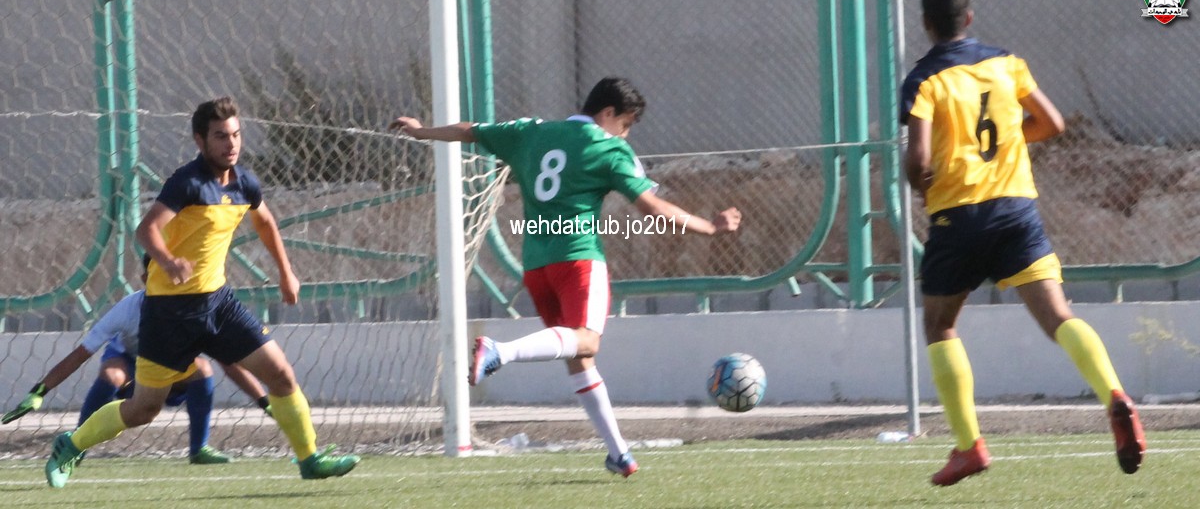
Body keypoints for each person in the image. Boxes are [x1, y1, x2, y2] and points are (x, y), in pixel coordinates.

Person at [390, 76, 741, 477]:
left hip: (537, 266)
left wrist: (422, 132)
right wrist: (709, 227)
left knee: (579, 357)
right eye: (626, 124)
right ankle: (500, 352)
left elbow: (469, 130)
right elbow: (653, 208)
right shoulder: (609, 148)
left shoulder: (531, 131)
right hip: (578, 261)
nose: (625, 134)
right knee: (587, 339)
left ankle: (619, 454)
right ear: (607, 113)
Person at [900, 0, 1146, 486]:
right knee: (1058, 316)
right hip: (1015, 209)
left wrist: (922, 186)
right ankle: (1115, 395)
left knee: (940, 325)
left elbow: (918, 158)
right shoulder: (1006, 63)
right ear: (969, 18)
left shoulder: (924, 79)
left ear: (926, 24)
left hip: (958, 215)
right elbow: (1052, 122)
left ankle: (969, 446)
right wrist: (1009, 142)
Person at [43, 97, 360, 488]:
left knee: (280, 374)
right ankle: (71, 445)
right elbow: (146, 229)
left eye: (236, 135)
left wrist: (286, 273)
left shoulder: (244, 183)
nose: (231, 144)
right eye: (221, 136)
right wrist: (167, 261)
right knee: (143, 409)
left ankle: (309, 459)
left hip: (219, 304)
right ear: (200, 140)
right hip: (169, 314)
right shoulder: (188, 183)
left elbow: (265, 222)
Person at [3, 255, 273, 464]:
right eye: (161, 274)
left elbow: (228, 362)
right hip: (131, 365)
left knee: (202, 368)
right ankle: (76, 446)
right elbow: (81, 354)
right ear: (145, 278)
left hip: (169, 370)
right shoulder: (128, 308)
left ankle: (198, 449)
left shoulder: (194, 309)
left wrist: (264, 402)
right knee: (112, 374)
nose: (169, 280)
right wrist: (40, 391)